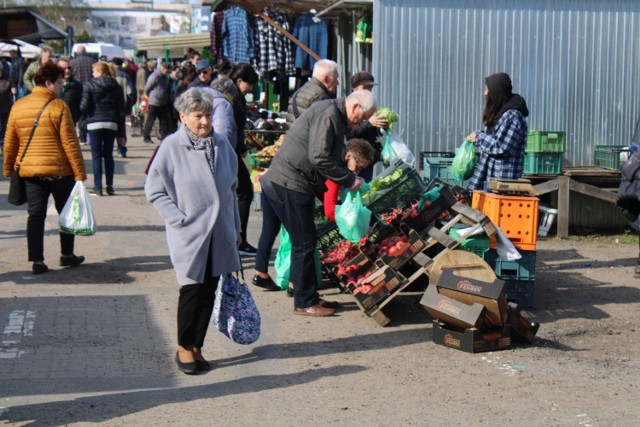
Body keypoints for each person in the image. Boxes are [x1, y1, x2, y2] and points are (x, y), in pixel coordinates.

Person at [145, 87, 242, 375]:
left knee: (210, 290)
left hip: (219, 231)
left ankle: (198, 345)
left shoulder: (222, 145)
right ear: (183, 116)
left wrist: (235, 227)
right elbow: (154, 190)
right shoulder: (172, 146)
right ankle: (184, 347)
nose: (205, 122)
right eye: (198, 116)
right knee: (191, 289)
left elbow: (232, 191)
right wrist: (179, 219)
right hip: (190, 233)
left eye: (209, 115)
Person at [257, 90, 376, 316]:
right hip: (290, 183)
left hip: (287, 181)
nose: (362, 122)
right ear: (354, 107)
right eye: (363, 116)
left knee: (305, 241)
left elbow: (325, 158)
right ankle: (303, 301)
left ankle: (309, 295)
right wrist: (349, 179)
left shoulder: (333, 114)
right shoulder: (329, 114)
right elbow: (319, 157)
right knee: (304, 242)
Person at [252, 138, 374, 294]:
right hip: (286, 185)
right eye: (357, 166)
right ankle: (294, 284)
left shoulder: (331, 151)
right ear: (349, 155)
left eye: (360, 169)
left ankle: (260, 272)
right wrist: (351, 226)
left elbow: (324, 195)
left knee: (269, 230)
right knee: (301, 239)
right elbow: (329, 210)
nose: (356, 171)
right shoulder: (336, 169)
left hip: (270, 179)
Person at [3, 63, 87, 274]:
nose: (61, 87)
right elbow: (70, 143)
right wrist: (79, 172)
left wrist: (8, 169)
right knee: (65, 213)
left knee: (35, 215)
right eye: (59, 83)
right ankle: (67, 254)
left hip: (31, 172)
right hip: (60, 172)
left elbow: (10, 141)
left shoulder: (18, 106)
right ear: (48, 83)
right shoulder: (58, 106)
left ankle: (37, 261)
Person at [466, 72, 529, 191]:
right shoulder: (501, 115)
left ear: (497, 92)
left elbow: (501, 147)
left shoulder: (512, 116)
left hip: (502, 186)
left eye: (487, 90)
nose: (485, 94)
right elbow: (495, 139)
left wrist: (478, 137)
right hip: (492, 182)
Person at [80, 61, 127, 196]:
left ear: (100, 72)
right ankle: (110, 186)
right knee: (108, 155)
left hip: (94, 123)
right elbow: (121, 111)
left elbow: (83, 106)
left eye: (94, 71)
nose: (92, 73)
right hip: (111, 123)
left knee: (96, 156)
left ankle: (98, 186)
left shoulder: (89, 85)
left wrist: (86, 113)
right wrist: (121, 134)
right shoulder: (116, 86)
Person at [227, 63, 259, 256]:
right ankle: (240, 241)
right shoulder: (232, 98)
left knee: (239, 194)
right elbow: (230, 128)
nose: (251, 89)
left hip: (233, 150)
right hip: (231, 151)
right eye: (249, 84)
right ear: (239, 81)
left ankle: (237, 240)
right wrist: (239, 148)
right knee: (245, 192)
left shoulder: (233, 95)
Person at [347, 71, 389, 182]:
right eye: (364, 87)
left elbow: (372, 132)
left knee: (364, 190)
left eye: (370, 88)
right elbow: (349, 133)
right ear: (354, 88)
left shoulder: (370, 105)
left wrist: (381, 126)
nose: (367, 91)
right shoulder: (349, 107)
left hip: (368, 158)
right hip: (355, 159)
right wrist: (369, 123)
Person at [286, 59, 339, 126]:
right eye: (336, 78)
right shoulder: (319, 96)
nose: (338, 82)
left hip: (293, 135)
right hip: (306, 136)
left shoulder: (300, 90)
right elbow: (320, 127)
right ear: (326, 79)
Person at [70, 45, 97, 144]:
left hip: (76, 90)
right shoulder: (92, 61)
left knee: (79, 113)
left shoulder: (72, 62)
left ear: (77, 52)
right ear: (85, 51)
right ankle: (88, 135)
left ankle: (81, 137)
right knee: (88, 113)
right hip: (90, 89)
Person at [143, 61, 172, 144]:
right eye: (166, 69)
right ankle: (146, 137)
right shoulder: (154, 76)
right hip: (154, 103)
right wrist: (152, 97)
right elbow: (147, 88)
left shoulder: (165, 77)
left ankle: (163, 137)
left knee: (164, 121)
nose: (167, 71)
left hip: (163, 103)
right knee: (150, 120)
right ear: (162, 68)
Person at [56, 58, 83, 125]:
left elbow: (80, 105)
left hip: (70, 122)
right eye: (64, 69)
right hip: (55, 120)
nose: (67, 71)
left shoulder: (77, 86)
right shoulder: (52, 85)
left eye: (69, 68)